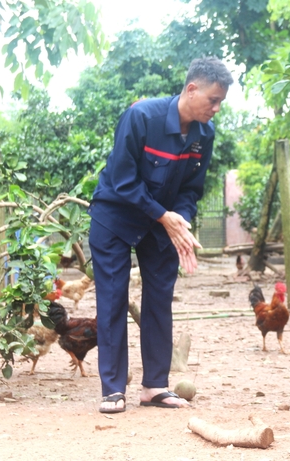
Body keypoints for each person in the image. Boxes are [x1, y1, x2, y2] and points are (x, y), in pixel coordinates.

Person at [87, 57, 233, 413]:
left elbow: (190, 189)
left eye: (221, 103)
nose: (216, 108)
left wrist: (180, 222)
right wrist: (163, 215)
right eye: (212, 100)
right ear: (191, 89)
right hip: (114, 218)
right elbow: (122, 179)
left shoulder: (204, 136)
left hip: (162, 224)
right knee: (112, 299)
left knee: (159, 300)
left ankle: (154, 385)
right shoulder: (141, 118)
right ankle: (112, 389)